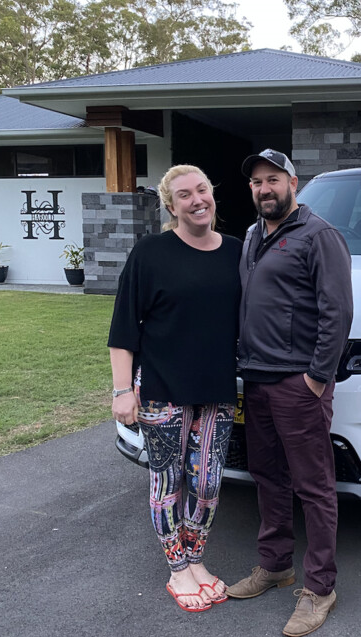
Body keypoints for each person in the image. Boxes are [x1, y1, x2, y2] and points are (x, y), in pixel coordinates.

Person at [227, 149, 353, 637]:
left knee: (314, 486)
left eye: (273, 179)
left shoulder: (320, 236)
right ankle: (275, 565)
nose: (264, 188)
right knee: (267, 476)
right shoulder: (254, 236)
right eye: (257, 181)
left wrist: (317, 378)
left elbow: (337, 312)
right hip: (255, 379)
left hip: (298, 382)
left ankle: (320, 587)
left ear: (293, 183)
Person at [108, 164, 242, 613]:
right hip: (162, 389)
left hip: (217, 390)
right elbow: (124, 328)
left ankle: (196, 559)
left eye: (202, 189)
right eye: (184, 194)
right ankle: (177, 568)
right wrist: (121, 390)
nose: (197, 199)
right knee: (169, 480)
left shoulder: (237, 253)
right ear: (171, 206)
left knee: (207, 481)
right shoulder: (150, 253)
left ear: (213, 194)